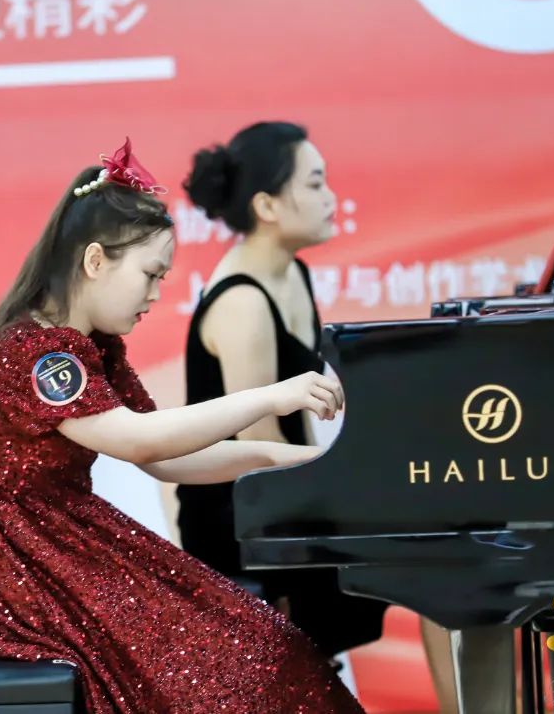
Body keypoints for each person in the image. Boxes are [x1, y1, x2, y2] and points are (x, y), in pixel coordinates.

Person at [0, 139, 366, 714]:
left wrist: (285, 459)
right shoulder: (34, 353)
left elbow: (168, 458)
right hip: (28, 566)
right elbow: (140, 439)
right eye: (150, 274)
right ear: (95, 261)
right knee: (245, 659)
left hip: (66, 546)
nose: (156, 294)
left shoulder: (92, 347)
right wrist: (271, 397)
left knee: (266, 645)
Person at [178, 121, 456, 712]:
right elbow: (259, 451)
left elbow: (308, 415)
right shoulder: (244, 301)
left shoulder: (291, 274)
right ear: (267, 206)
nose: (332, 198)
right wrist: (361, 486)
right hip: (243, 520)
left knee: (447, 544)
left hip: (290, 493)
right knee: (438, 555)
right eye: (315, 183)